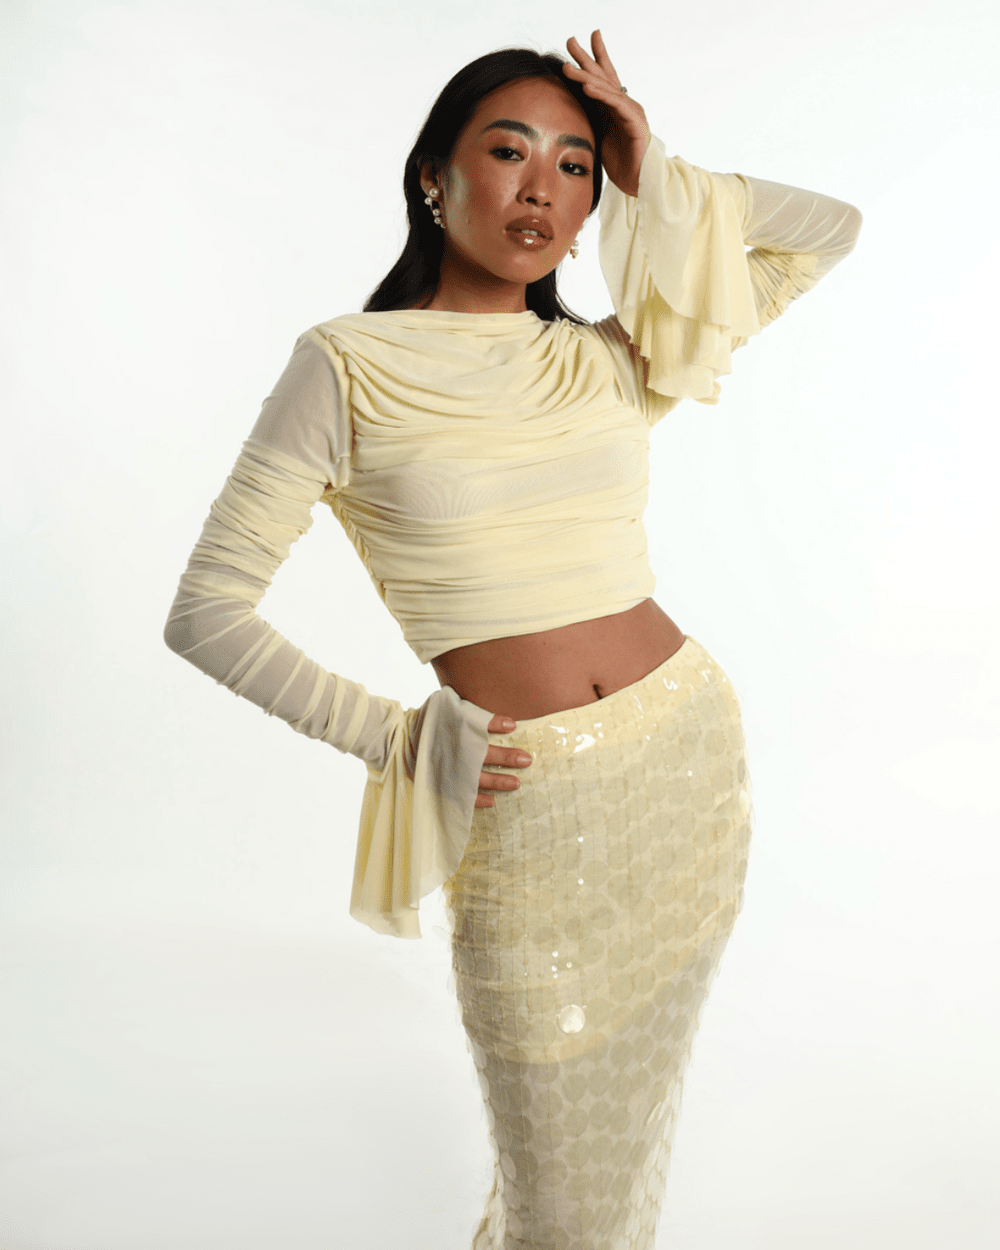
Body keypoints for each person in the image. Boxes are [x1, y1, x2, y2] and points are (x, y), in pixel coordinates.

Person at [164, 30, 861, 1250]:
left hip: (684, 770)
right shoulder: (347, 364)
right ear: (433, 175)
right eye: (507, 151)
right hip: (525, 802)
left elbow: (826, 231)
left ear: (596, 204)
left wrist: (653, 164)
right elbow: (207, 608)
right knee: (561, 1195)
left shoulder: (609, 357)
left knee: (618, 1162)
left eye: (574, 165)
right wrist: (390, 735)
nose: (542, 187)